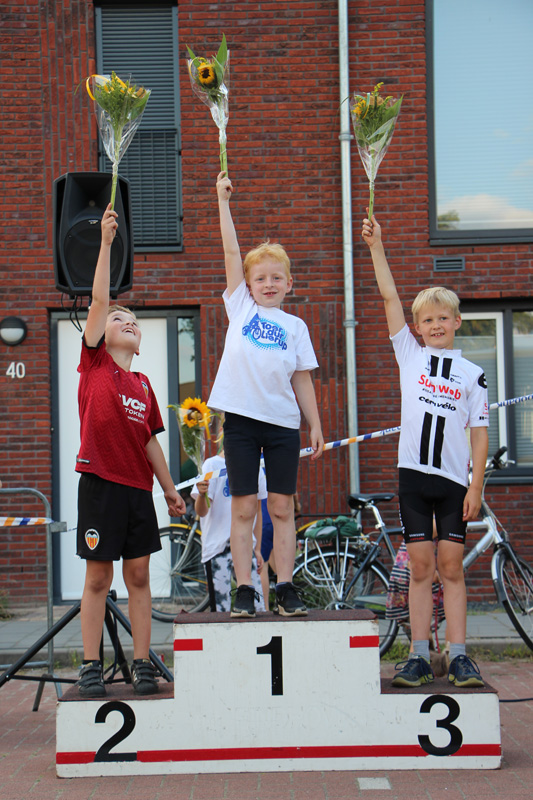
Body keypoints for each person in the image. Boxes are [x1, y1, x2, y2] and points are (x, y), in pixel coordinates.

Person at [362, 212, 489, 689]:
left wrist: (476, 486)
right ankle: (417, 656)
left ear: (457, 322)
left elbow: (480, 434)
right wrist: (376, 247)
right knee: (420, 566)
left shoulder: (473, 375)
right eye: (427, 319)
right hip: (413, 478)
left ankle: (459, 656)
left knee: (451, 567)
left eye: (443, 318)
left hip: (454, 482)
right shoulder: (409, 356)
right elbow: (389, 297)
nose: (436, 324)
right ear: (416, 327)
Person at [75, 204, 186, 697]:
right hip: (100, 485)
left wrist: (170, 489)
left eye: (134, 321)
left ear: (140, 344)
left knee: (138, 574)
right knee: (99, 578)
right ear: (101, 333)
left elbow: (149, 441)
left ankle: (143, 663)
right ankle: (90, 665)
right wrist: (105, 243)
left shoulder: (143, 385)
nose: (127, 321)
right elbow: (100, 298)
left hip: (139, 490)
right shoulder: (95, 364)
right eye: (119, 318)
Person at [208, 172, 324, 618]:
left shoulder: (296, 327)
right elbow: (230, 251)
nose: (269, 284)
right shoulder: (240, 307)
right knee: (242, 508)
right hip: (240, 421)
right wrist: (223, 203)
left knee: (280, 506)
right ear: (248, 284)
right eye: (261, 278)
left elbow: (302, 380)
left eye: (277, 278)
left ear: (289, 284)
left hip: (282, 425)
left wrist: (314, 425)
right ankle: (244, 589)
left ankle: (285, 586)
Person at [191, 448, 266, 613]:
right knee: (220, 609)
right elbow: (201, 512)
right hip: (217, 548)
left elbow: (258, 510)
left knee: (258, 608)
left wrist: (257, 548)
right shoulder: (211, 465)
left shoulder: (254, 466)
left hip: (246, 545)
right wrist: (202, 495)